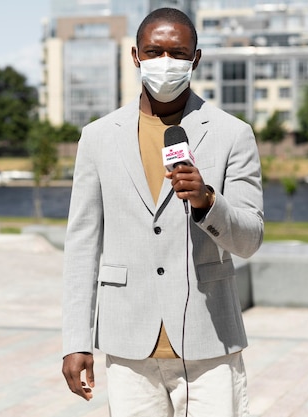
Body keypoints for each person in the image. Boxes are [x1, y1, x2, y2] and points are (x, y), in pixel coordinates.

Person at [61, 7, 264, 417]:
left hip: (210, 341)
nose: (164, 63)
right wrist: (75, 340)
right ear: (135, 56)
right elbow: (82, 244)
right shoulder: (98, 137)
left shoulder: (232, 134)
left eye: (177, 53)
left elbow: (250, 239)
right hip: (128, 341)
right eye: (154, 52)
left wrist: (208, 201)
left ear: (196, 59)